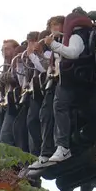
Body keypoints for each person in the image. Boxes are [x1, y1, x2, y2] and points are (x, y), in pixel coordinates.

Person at [40, 10, 94, 165]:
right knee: (49, 111)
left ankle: (63, 147)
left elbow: (73, 53)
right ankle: (49, 150)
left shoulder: (76, 36)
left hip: (75, 79)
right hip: (65, 80)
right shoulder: (65, 38)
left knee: (60, 107)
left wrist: (53, 45)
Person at [36, 15, 64, 161]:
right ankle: (45, 151)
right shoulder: (51, 47)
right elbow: (47, 65)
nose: (54, 29)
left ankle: (59, 147)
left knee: (57, 110)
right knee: (45, 114)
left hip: (64, 80)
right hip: (52, 81)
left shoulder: (66, 40)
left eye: (57, 25)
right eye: (52, 26)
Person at [0, 39, 22, 146]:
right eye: (3, 50)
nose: (4, 52)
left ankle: (12, 162)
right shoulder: (4, 66)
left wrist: (6, 78)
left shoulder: (20, 60)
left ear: (15, 49)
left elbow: (20, 78)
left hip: (15, 103)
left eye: (7, 49)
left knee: (6, 135)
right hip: (4, 104)